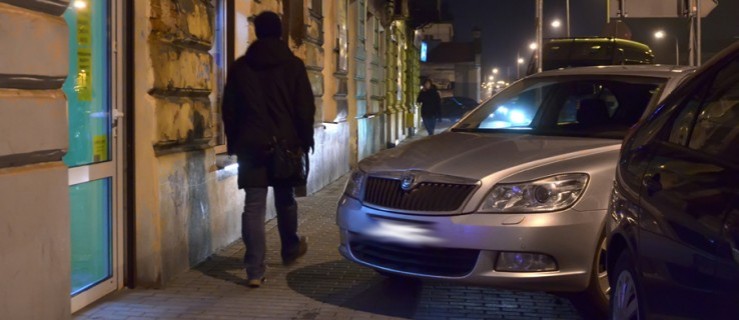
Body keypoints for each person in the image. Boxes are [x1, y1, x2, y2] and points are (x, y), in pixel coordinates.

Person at [221, 11, 315, 288]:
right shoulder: (293, 66)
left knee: (253, 206)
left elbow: (229, 109)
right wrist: (305, 139)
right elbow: (304, 107)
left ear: (257, 32)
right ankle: (289, 247)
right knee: (285, 198)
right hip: (286, 145)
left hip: (251, 145)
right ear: (279, 32)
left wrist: (235, 141)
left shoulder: (241, 67)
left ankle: (254, 270)